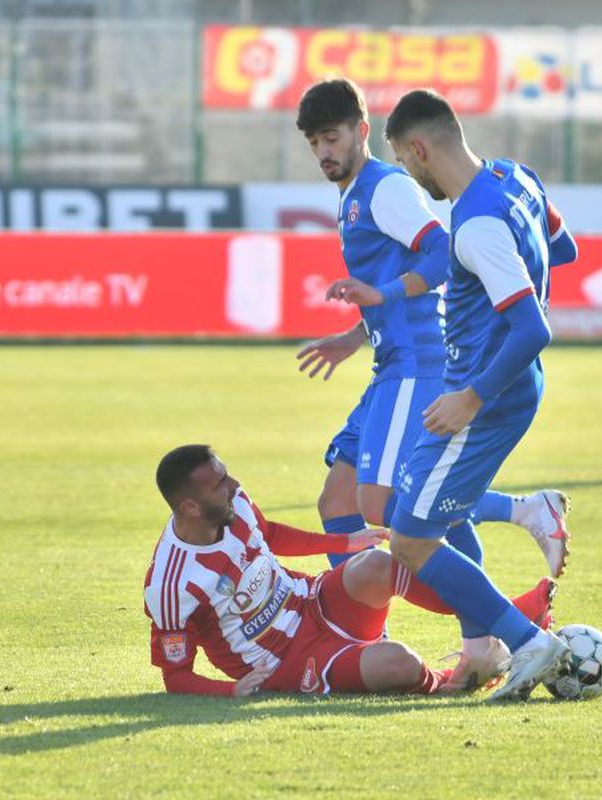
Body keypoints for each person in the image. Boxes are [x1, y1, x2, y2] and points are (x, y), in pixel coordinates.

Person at [293, 78, 572, 587]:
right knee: (338, 500)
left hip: (417, 363)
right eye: (314, 143)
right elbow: (561, 246)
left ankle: (516, 528)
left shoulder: (385, 188)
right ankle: (360, 632)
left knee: (386, 502)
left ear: (362, 130)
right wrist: (358, 335)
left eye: (331, 138)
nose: (323, 152)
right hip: (390, 363)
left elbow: (441, 251)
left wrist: (384, 296)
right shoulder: (357, 194)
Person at [380, 89, 578, 702]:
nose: (413, 176)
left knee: (410, 538)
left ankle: (525, 643)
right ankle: (484, 647)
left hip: (484, 395)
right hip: (497, 384)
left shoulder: (475, 222)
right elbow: (564, 248)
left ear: (418, 150)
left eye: (407, 164)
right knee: (431, 505)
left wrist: (472, 396)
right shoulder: (515, 177)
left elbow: (532, 328)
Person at [143, 445, 556, 697]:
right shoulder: (170, 583)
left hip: (312, 601)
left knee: (381, 561)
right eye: (219, 484)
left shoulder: (235, 504)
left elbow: (268, 534)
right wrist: (231, 690)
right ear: (190, 507)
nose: (233, 484)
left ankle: (505, 623)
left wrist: (342, 543)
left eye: (226, 473)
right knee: (398, 664)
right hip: (288, 662)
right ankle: (452, 681)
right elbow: (175, 677)